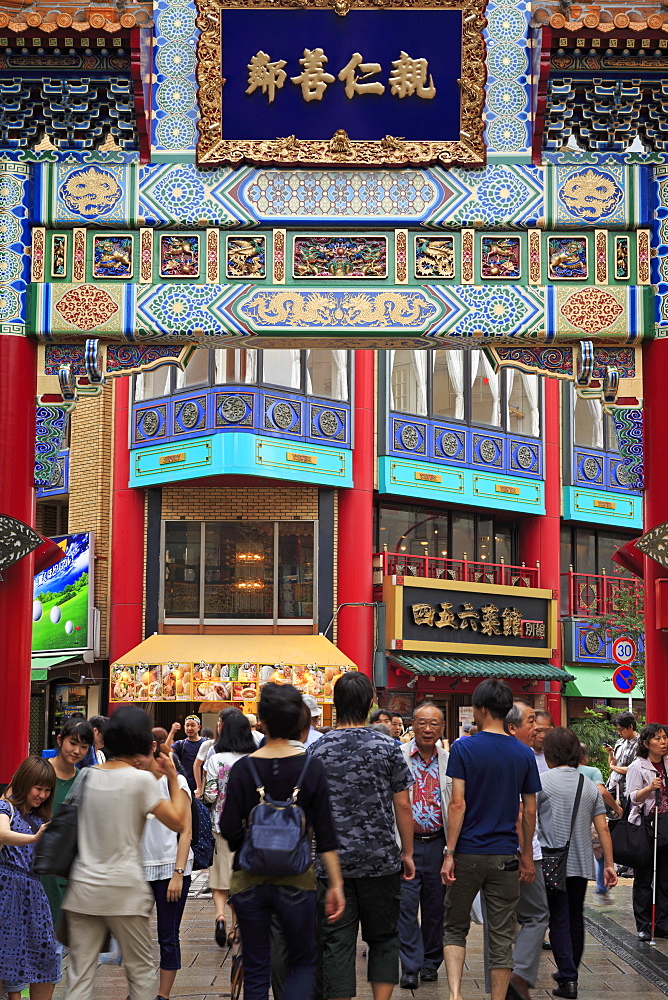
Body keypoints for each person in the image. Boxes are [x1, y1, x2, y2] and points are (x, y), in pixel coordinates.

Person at [221, 683, 345, 1000]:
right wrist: (336, 885)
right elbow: (327, 835)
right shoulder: (311, 767)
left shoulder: (243, 769)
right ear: (300, 722)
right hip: (297, 881)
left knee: (257, 966)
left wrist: (256, 839)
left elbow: (229, 829)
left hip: (248, 881)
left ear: (260, 719)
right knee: (303, 963)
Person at [62, 705, 188, 1000]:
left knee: (79, 973)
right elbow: (178, 822)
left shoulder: (87, 776)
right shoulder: (141, 781)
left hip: (83, 888)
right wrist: (171, 777)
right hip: (125, 889)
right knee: (141, 971)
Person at [310, 672, 415, 1000]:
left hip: (331, 865)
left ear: (336, 703)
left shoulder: (317, 749)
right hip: (381, 862)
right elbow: (403, 805)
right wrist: (407, 853)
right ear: (370, 702)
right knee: (384, 939)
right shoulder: (388, 746)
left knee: (336, 943)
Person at [441, 680, 540, 1000]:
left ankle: (455, 994)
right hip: (505, 855)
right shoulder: (523, 753)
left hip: (468, 851)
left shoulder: (464, 747)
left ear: (482, 709)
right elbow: (529, 811)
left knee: (455, 926)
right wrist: (526, 855)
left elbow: (457, 803)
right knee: (501, 937)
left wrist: (449, 852)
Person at [537, 728, 617, 999]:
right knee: (574, 918)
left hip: (550, 863)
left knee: (557, 917)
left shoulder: (541, 782)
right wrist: (609, 863)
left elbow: (527, 820)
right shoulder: (588, 784)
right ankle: (569, 973)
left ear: (550, 753)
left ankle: (568, 978)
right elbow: (603, 828)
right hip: (581, 864)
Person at [398, 701, 450, 990]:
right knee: (406, 906)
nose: (427, 729)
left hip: (438, 842)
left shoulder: (449, 760)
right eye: (421, 723)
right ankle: (410, 965)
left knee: (434, 907)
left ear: (442, 727)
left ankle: (431, 962)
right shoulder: (399, 756)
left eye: (434, 724)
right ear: (412, 725)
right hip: (406, 843)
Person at [140, 738, 194, 1000]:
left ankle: (163, 995)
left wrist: (178, 873)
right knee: (132, 937)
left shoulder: (177, 783)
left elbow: (186, 831)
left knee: (167, 935)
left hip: (170, 868)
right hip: (139, 869)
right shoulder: (135, 782)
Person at [0, 757, 57, 1000]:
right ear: (25, 783)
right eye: (38, 788)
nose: (43, 795)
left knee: (46, 960)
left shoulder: (39, 817)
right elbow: (2, 834)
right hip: (6, 893)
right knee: (4, 959)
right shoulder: (6, 808)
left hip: (33, 896)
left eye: (47, 790)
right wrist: (35, 839)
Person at [504, 701, 549, 1000]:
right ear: (513, 727)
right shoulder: (524, 757)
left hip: (487, 850)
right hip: (520, 849)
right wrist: (527, 856)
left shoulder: (481, 751)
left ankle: (500, 985)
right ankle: (518, 975)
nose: (537, 728)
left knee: (500, 924)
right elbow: (523, 812)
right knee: (536, 915)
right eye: (531, 721)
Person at [203, 709, 256, 946]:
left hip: (219, 825)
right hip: (248, 827)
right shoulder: (254, 759)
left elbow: (211, 794)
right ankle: (236, 926)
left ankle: (220, 916)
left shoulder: (216, 759)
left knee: (219, 876)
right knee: (240, 877)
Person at [42, 718, 94, 950]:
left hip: (64, 871)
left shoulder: (84, 779)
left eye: (84, 747)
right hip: (33, 867)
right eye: (73, 743)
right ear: (60, 740)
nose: (77, 751)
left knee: (55, 949)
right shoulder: (39, 770)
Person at [625, 723, 668, 940]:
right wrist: (650, 788)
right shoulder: (637, 767)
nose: (663, 742)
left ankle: (662, 923)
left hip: (666, 824)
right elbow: (632, 798)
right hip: (647, 825)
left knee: (664, 877)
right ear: (646, 743)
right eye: (658, 739)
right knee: (644, 876)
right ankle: (643, 924)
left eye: (664, 738)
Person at [606, 711, 639, 807]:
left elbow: (632, 770)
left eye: (621, 729)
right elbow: (612, 763)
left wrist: (614, 768)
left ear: (630, 727)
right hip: (613, 788)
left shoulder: (640, 745)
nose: (619, 733)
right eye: (617, 730)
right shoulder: (619, 742)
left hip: (627, 791)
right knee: (612, 820)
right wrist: (611, 754)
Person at [167, 715, 207, 792]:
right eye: (187, 725)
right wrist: (172, 732)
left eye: (192, 725)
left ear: (199, 727)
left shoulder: (205, 743)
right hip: (185, 785)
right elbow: (166, 751)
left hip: (203, 786)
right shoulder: (181, 744)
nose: (189, 728)